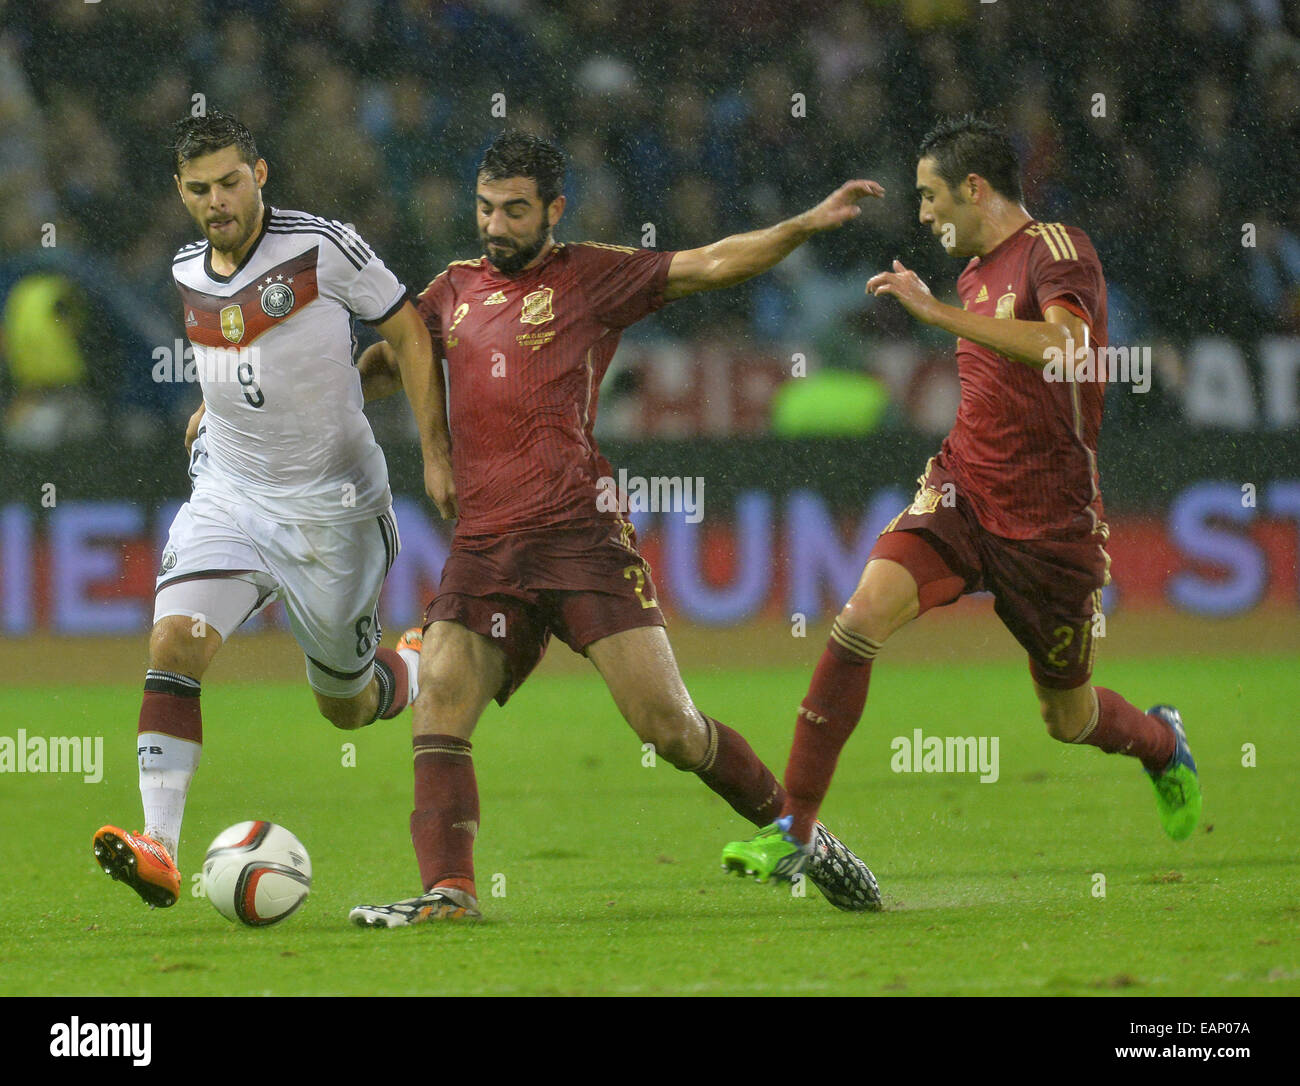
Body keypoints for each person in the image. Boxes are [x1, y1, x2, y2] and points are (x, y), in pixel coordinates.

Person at [349, 131, 886, 926]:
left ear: (554, 211)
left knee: (668, 727)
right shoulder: (450, 291)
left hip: (579, 536)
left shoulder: (592, 276)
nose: (496, 225)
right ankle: (450, 893)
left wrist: (801, 228)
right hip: (486, 544)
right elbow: (391, 363)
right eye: (486, 207)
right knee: (442, 702)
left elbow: (711, 263)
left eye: (516, 210)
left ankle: (803, 834)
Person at [722, 115, 1201, 885]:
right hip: (963, 493)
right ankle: (795, 830)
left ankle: (1160, 743)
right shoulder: (975, 276)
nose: (921, 214)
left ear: (974, 188)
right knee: (859, 617)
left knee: (1068, 718)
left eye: (929, 195)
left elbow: (1068, 350)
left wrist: (937, 313)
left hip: (1051, 530)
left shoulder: (1057, 249)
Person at [93, 110, 455, 909]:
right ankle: (158, 845)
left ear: (259, 175)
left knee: (346, 706)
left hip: (332, 509)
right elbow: (233, 351)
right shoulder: (188, 265)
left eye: (230, 181)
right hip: (229, 489)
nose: (217, 200)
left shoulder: (323, 247)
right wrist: (210, 409)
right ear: (180, 192)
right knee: (175, 641)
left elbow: (411, 333)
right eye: (199, 189)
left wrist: (434, 450)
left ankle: (424, 660)